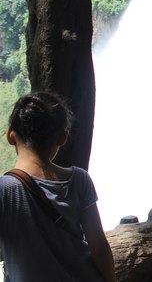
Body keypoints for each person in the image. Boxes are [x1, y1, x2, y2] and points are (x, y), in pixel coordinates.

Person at [0, 92, 117, 281]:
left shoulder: (4, 191)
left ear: (10, 136)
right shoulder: (79, 180)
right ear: (62, 137)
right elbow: (99, 248)